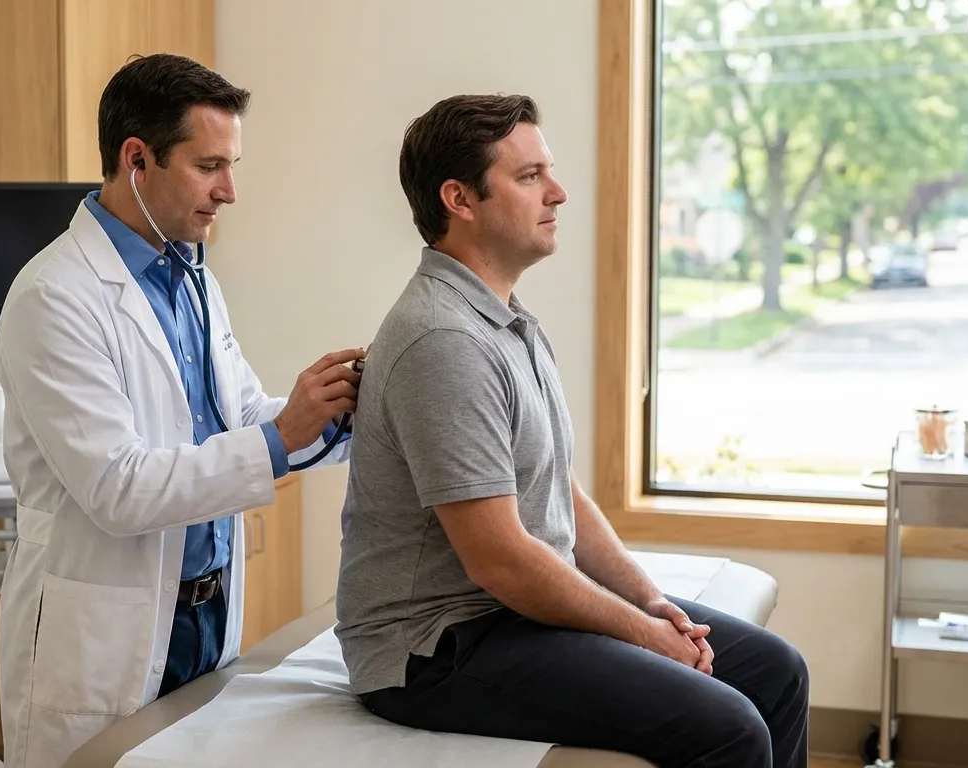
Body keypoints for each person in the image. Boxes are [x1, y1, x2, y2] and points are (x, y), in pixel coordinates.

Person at [334, 93, 809, 768]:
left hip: (505, 614)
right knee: (730, 728)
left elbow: (559, 491)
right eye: (529, 177)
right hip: (437, 647)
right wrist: (645, 636)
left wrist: (646, 599)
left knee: (776, 673)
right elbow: (498, 558)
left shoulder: (508, 322)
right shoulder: (443, 339)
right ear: (459, 199)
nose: (557, 193)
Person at [0, 53, 362, 768]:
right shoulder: (55, 296)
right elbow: (120, 489)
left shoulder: (190, 276)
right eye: (209, 165)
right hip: (108, 636)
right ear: (137, 159)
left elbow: (238, 414)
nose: (229, 191)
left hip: (204, 618)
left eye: (233, 165)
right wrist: (283, 435)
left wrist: (345, 412)